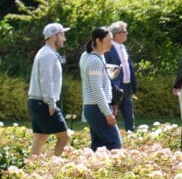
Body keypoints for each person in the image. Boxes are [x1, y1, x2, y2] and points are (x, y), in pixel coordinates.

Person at [27, 23, 71, 157]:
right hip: (44, 103)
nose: (64, 39)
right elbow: (46, 80)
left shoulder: (46, 53)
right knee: (65, 137)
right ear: (54, 37)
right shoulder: (48, 55)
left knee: (40, 136)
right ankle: (54, 169)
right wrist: (51, 103)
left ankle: (31, 169)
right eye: (62, 35)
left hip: (37, 101)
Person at [80, 27, 122, 150]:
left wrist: (111, 74)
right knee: (114, 144)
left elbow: (95, 79)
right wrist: (108, 113)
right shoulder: (95, 60)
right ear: (98, 41)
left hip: (93, 107)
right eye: (108, 40)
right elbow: (97, 89)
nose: (111, 44)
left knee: (98, 146)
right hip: (97, 108)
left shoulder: (87, 56)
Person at [104, 20, 138, 132]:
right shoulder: (108, 48)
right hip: (115, 87)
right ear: (117, 34)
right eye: (125, 31)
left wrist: (133, 88)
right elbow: (107, 69)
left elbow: (129, 68)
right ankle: (110, 138)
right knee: (113, 113)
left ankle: (131, 135)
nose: (127, 33)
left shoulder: (123, 47)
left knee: (129, 114)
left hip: (126, 86)